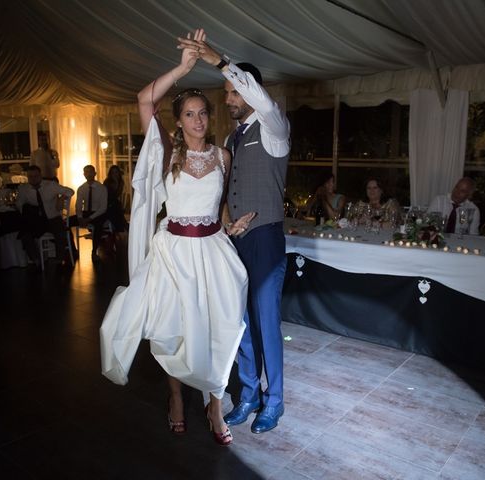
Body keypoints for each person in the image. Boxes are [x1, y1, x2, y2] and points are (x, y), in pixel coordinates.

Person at [99, 31, 254, 447]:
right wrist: (185, 68)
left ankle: (215, 404)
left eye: (203, 112)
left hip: (214, 251)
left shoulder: (224, 155)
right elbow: (143, 100)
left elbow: (219, 205)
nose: (198, 120)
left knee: (222, 327)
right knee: (175, 329)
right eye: (189, 113)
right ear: (178, 119)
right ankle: (176, 400)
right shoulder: (166, 152)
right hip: (174, 255)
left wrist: (230, 224)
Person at [178, 29, 291, 434]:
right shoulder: (230, 138)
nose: (227, 100)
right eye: (226, 94)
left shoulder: (274, 127)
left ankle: (274, 402)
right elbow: (223, 191)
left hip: (265, 239)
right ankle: (248, 396)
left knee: (265, 320)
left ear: (251, 91)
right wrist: (225, 222)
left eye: (233, 93)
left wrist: (218, 59)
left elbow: (261, 100)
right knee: (239, 323)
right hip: (234, 241)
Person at [16, 165, 74, 266]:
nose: (33, 179)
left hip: (52, 217)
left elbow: (70, 191)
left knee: (60, 232)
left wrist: (61, 198)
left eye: (35, 176)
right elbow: (19, 203)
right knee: (24, 233)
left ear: (40, 175)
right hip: (36, 219)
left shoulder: (50, 185)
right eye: (30, 177)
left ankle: (60, 258)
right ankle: (36, 259)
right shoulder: (24, 189)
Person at [75, 165, 107, 261]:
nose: (88, 174)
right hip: (85, 213)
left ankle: (94, 252)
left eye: (90, 172)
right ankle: (72, 251)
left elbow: (103, 208)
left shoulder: (102, 188)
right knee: (66, 222)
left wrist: (89, 219)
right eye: (86, 172)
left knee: (98, 226)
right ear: (84, 174)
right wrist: (80, 217)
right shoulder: (81, 188)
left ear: (95, 173)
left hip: (98, 213)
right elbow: (78, 205)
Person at [103, 165, 128, 232]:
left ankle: (120, 230)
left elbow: (117, 195)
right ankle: (123, 228)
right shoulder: (107, 182)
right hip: (106, 203)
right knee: (117, 209)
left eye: (116, 172)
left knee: (116, 208)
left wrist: (117, 183)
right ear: (110, 174)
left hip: (113, 204)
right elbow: (108, 195)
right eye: (113, 172)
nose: (115, 174)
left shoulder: (120, 182)